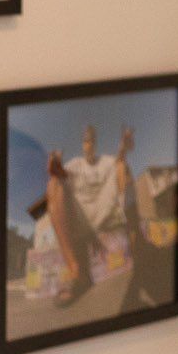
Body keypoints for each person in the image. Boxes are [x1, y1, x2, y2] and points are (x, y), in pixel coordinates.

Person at [44, 124, 133, 304]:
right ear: (82, 145)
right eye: (86, 141)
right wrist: (54, 164)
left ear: (96, 144)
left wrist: (123, 148)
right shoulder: (75, 164)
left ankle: (134, 240)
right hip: (80, 221)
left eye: (92, 141)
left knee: (121, 166)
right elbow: (57, 176)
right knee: (53, 184)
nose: (89, 145)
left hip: (103, 215)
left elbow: (118, 160)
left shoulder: (105, 161)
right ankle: (75, 271)